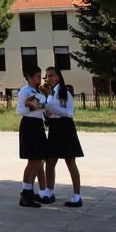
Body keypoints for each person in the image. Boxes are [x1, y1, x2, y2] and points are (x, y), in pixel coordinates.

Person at [43, 66, 85, 207]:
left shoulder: (63, 92)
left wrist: (49, 105)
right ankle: (49, 192)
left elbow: (67, 112)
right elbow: (50, 110)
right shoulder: (48, 93)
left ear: (58, 77)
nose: (48, 78)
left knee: (70, 161)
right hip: (54, 127)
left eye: (52, 75)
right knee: (50, 161)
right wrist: (47, 110)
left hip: (65, 127)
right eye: (47, 76)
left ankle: (77, 195)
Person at [16, 65, 48, 207]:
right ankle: (26, 193)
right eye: (37, 77)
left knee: (39, 160)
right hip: (29, 125)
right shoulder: (25, 91)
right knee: (34, 161)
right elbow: (19, 109)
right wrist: (32, 106)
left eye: (40, 77)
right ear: (29, 77)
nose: (39, 80)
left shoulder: (38, 90)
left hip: (38, 125)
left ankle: (28, 191)